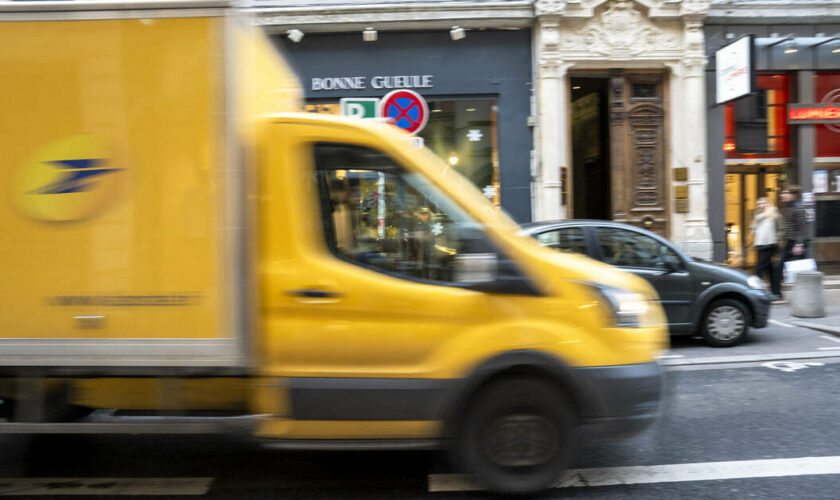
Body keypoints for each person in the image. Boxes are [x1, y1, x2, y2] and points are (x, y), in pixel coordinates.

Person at [751, 197, 783, 299]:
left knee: (759, 269)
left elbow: (781, 230)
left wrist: (778, 242)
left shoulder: (774, 215)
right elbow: (753, 231)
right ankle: (776, 293)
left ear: (768, 204)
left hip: (770, 245)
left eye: (763, 203)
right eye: (758, 204)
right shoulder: (757, 217)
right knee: (769, 270)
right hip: (760, 245)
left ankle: (757, 292)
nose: (760, 206)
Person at [778, 185, 809, 279]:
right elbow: (788, 226)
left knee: (797, 269)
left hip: (796, 243)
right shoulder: (788, 207)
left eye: (785, 193)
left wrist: (799, 244)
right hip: (790, 241)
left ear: (793, 195)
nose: (782, 195)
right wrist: (782, 239)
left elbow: (801, 227)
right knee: (783, 267)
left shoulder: (798, 208)